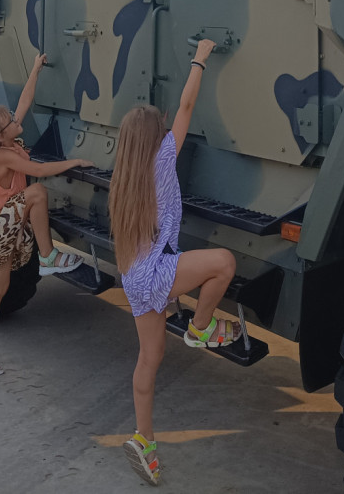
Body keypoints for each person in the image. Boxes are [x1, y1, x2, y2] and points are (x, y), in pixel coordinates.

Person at [110, 38, 243, 486]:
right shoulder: (163, 159)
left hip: (134, 277)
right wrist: (200, 57)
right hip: (157, 273)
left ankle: (143, 440)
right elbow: (186, 105)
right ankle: (201, 327)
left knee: (150, 357)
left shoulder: (124, 178)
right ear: (156, 137)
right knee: (223, 262)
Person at [0, 52, 93, 376]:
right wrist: (74, 162)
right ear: (1, 136)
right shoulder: (4, 155)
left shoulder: (3, 141)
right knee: (36, 193)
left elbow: (25, 101)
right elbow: (39, 170)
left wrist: (34, 68)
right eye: (12, 121)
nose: (18, 120)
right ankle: (47, 257)